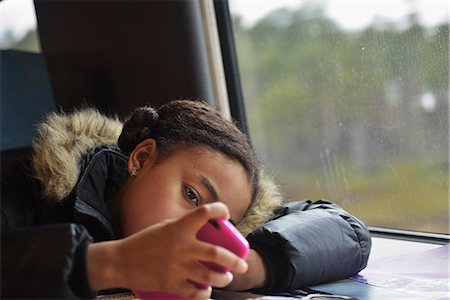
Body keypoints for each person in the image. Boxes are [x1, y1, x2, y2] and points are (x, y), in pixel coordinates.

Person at [1, 100, 371, 299]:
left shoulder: (216, 238)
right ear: (142, 158)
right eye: (191, 195)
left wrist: (245, 269)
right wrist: (106, 265)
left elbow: (347, 231)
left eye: (217, 222)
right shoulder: (30, 190)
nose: (194, 228)